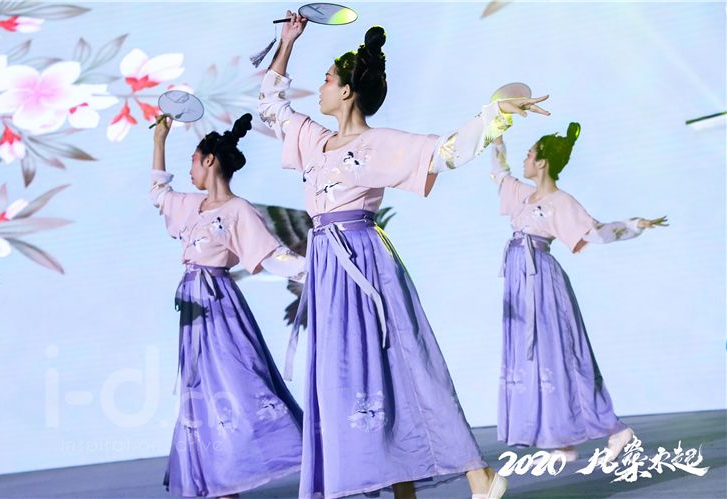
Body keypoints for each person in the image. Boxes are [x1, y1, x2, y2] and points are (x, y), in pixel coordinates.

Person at [258, 12, 549, 499]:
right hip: (329, 268)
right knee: (347, 378)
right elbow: (271, 103)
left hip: (365, 263)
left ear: (346, 91)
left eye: (327, 79)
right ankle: (404, 490)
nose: (320, 88)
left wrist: (496, 113)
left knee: (404, 363)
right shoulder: (313, 139)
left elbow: (446, 153)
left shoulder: (377, 144)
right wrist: (287, 41)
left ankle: (477, 474)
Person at [489, 126, 667, 463]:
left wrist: (633, 226)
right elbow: (499, 173)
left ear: (542, 162)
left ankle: (615, 428)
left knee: (563, 353)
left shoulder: (561, 202)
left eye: (529, 154)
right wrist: (497, 136)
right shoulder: (523, 195)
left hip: (541, 281)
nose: (525, 159)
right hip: (520, 281)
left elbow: (595, 233)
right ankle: (563, 440)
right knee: (537, 357)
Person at [150, 113, 306, 498]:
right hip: (193, 310)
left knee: (241, 381)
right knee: (202, 392)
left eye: (193, 160)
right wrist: (159, 140)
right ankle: (222, 482)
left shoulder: (238, 210)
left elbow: (272, 257)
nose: (190, 169)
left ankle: (293, 451)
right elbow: (158, 193)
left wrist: (318, 269)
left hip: (220, 306)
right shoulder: (191, 205)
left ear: (209, 160)